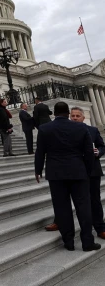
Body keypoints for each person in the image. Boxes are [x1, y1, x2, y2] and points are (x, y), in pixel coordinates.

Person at [35, 102, 100, 252]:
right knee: (83, 207)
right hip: (78, 172)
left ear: (54, 113)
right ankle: (87, 241)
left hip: (56, 174)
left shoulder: (44, 128)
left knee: (62, 208)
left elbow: (40, 152)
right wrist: (88, 169)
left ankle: (68, 241)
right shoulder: (81, 127)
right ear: (67, 113)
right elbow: (89, 152)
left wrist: (38, 170)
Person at [46, 107, 105, 238]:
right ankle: (59, 222)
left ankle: (100, 228)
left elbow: (102, 146)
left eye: (78, 116)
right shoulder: (64, 130)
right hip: (73, 171)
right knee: (63, 199)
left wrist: (98, 152)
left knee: (94, 200)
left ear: (83, 118)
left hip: (92, 171)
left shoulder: (93, 130)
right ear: (69, 117)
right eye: (72, 115)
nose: (75, 118)